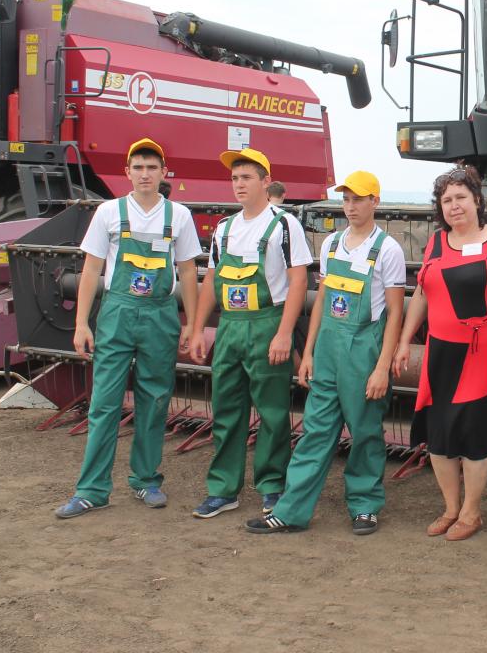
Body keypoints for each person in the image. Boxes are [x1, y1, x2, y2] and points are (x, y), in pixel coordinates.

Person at [246, 171, 405, 536]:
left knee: (365, 431)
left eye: (358, 199)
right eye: (346, 199)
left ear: (374, 202)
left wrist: (382, 367)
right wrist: (310, 352)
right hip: (330, 348)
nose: (350, 206)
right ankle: (291, 512)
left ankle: (365, 506)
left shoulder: (388, 249)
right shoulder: (331, 244)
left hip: (365, 349)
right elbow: (319, 303)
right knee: (315, 431)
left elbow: (396, 311)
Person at [54, 138, 201, 518]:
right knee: (104, 403)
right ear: (127, 172)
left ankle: (146, 480)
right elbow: (91, 269)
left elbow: (187, 271)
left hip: (160, 314)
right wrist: (81, 323)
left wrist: (192, 324)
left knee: (154, 401)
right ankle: (92, 490)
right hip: (117, 312)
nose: (145, 174)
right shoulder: (107, 212)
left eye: (152, 167)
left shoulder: (179, 216)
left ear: (164, 173)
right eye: (138, 167)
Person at [391, 165, 487, 541]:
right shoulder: (436, 243)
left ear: (476, 201)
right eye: (447, 199)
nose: (454, 206)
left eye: (461, 198)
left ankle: (472, 512)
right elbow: (421, 294)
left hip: (483, 355)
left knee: (473, 435)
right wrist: (406, 340)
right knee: (438, 435)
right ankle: (451, 508)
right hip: (440, 354)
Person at [188, 149, 312, 519]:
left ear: (265, 181)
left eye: (246, 177)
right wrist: (198, 328)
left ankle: (273, 486)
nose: (239, 184)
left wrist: (284, 333)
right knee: (226, 410)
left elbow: (298, 278)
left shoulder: (283, 225)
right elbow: (210, 279)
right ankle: (224, 489)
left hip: (266, 323)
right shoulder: (224, 228)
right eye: (234, 178)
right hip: (230, 326)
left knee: (273, 412)